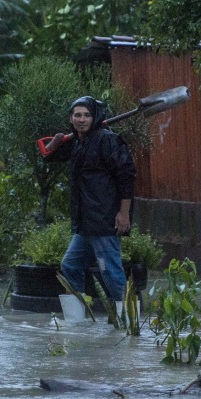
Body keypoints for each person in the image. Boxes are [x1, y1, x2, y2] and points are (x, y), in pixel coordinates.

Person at [43, 96, 136, 320]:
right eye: (77, 115)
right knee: (70, 266)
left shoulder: (108, 140)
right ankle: (76, 322)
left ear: (94, 118)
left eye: (86, 115)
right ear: (71, 118)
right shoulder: (76, 142)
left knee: (110, 272)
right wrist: (54, 143)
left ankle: (131, 324)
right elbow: (49, 157)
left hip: (104, 221)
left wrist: (124, 214)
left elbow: (127, 178)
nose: (82, 119)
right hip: (84, 223)